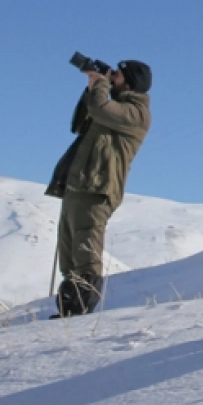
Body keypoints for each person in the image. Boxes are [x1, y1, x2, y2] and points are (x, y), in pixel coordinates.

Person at [46, 59, 152, 315]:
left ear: (130, 81)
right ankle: (67, 310)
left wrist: (101, 84)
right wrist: (91, 87)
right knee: (69, 255)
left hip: (97, 190)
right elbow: (79, 123)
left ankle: (82, 311)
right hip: (79, 186)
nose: (112, 77)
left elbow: (100, 108)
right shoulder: (111, 107)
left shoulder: (136, 113)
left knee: (86, 253)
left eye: (117, 75)